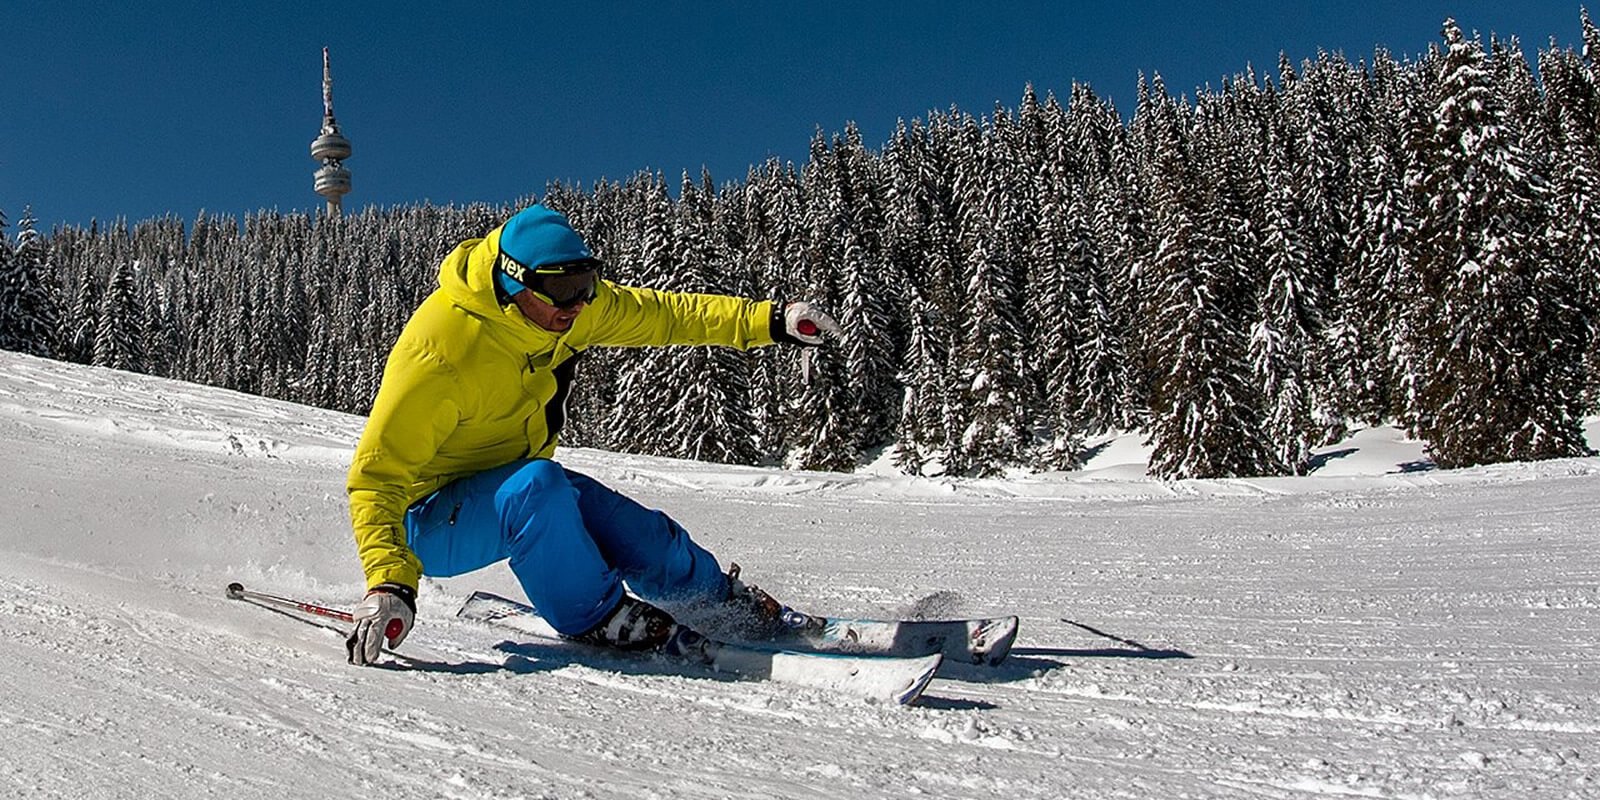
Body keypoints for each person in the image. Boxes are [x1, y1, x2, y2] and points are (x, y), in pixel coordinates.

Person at [344, 204, 840, 665]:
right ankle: (596, 618)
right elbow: (377, 479)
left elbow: (666, 315)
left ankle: (716, 602)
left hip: (520, 485)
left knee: (633, 529)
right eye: (563, 292)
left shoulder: (570, 305)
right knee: (538, 487)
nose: (578, 305)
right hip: (429, 524)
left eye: (586, 285)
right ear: (517, 284)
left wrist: (772, 321)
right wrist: (390, 584)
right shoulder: (440, 351)